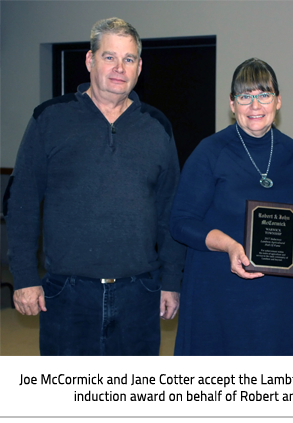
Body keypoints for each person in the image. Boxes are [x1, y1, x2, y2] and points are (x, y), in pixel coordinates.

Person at [3, 18, 186, 356]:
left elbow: (170, 211)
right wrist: (26, 276)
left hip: (140, 293)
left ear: (139, 66)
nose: (119, 68)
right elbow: (22, 201)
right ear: (90, 60)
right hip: (66, 292)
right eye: (109, 57)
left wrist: (171, 282)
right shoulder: (50, 119)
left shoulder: (157, 126)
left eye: (129, 59)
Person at [170, 58, 293, 356]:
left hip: (276, 299)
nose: (255, 105)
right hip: (216, 292)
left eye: (264, 95)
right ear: (232, 103)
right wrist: (228, 245)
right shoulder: (210, 152)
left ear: (278, 101)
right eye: (245, 96)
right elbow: (180, 221)